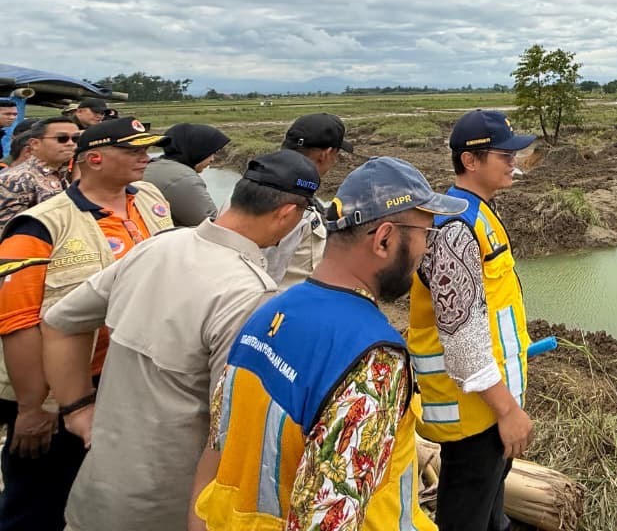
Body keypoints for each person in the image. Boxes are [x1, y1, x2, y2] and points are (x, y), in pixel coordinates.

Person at [42, 150, 319, 531]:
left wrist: (76, 408)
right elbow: (231, 428)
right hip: (170, 507)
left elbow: (59, 323)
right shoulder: (250, 293)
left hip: (96, 495)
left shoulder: (159, 246)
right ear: (288, 214)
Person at [191, 156, 451, 531]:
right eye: (427, 235)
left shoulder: (268, 314)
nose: (427, 249)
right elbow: (327, 519)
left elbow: (218, 448)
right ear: (384, 239)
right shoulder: (373, 358)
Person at [0, 116, 172, 531]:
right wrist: (32, 409)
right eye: (133, 151)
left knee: (104, 493)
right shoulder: (40, 225)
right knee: (37, 502)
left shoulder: (149, 197)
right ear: (94, 159)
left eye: (146, 149)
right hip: (58, 391)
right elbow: (17, 323)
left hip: (124, 379)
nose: (145, 158)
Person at [409, 109, 536, 531]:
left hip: (487, 403)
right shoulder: (456, 228)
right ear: (470, 161)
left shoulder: (478, 212)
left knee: (490, 510)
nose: (514, 162)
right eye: (505, 155)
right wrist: (507, 411)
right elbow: (462, 340)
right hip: (473, 412)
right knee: (467, 514)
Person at [264, 112, 352, 286]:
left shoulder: (253, 185)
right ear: (326, 154)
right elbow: (269, 275)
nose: (335, 161)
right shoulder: (294, 205)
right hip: (285, 308)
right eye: (336, 154)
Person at [142, 123, 231, 226]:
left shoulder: (156, 165)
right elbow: (211, 226)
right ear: (198, 150)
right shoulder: (182, 178)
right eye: (210, 153)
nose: (212, 159)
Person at [0, 117, 78, 227]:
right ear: (35, 143)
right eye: (62, 138)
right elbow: (7, 230)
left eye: (75, 139)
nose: (70, 143)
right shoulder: (16, 179)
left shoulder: (61, 175)